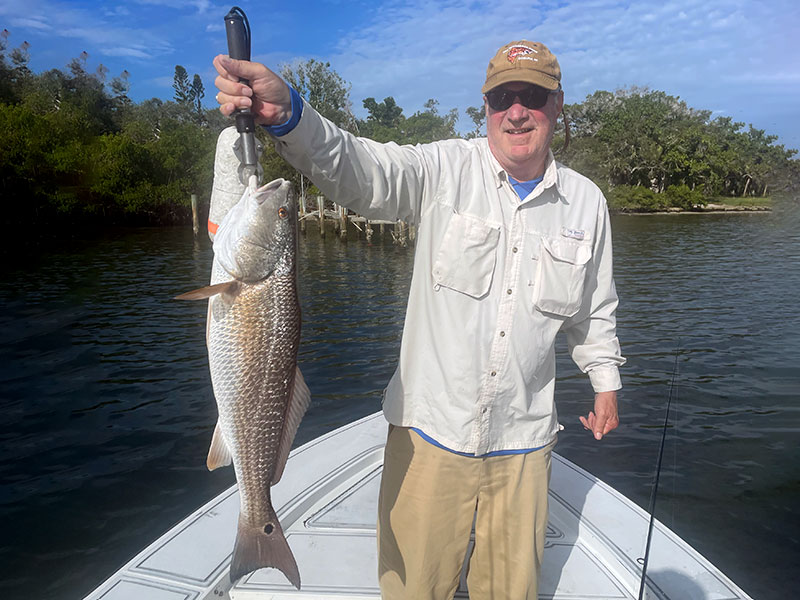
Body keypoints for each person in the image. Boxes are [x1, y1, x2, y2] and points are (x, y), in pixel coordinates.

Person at [214, 40, 625, 600]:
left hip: (524, 444)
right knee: (415, 591)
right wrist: (289, 113)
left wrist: (604, 380)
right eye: (503, 96)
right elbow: (361, 169)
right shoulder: (442, 170)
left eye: (532, 96)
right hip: (430, 435)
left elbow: (594, 308)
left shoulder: (586, 203)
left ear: (557, 106)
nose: (517, 110)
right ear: (486, 106)